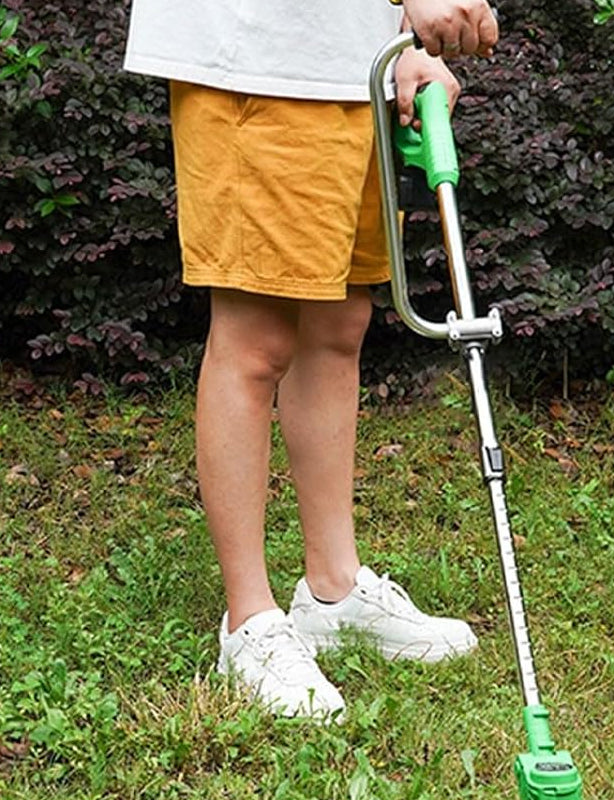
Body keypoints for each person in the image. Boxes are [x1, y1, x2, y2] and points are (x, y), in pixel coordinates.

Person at [124, 0, 499, 720]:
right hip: (252, 56)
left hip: (338, 66)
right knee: (256, 337)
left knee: (338, 322)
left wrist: (397, 40)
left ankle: (333, 588)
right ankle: (249, 621)